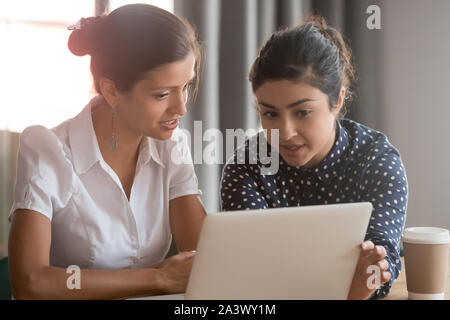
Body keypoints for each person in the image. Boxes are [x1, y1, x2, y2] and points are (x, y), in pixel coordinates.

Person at [8, 4, 206, 299]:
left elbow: (205, 258)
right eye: (162, 94)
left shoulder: (171, 146)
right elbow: (32, 282)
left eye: (185, 86)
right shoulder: (48, 150)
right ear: (111, 90)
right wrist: (157, 278)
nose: (181, 108)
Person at [220, 16, 408, 300]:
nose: (286, 132)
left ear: (338, 101)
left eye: (303, 112)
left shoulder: (376, 160)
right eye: (270, 113)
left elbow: (380, 269)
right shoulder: (247, 167)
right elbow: (254, 275)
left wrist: (367, 278)